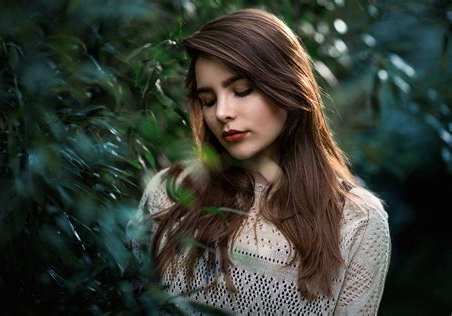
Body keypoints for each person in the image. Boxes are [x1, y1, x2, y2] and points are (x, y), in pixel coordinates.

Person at [135, 8, 391, 315]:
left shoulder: (357, 221)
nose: (221, 113)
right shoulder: (170, 192)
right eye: (208, 100)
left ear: (288, 87)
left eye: (241, 91)